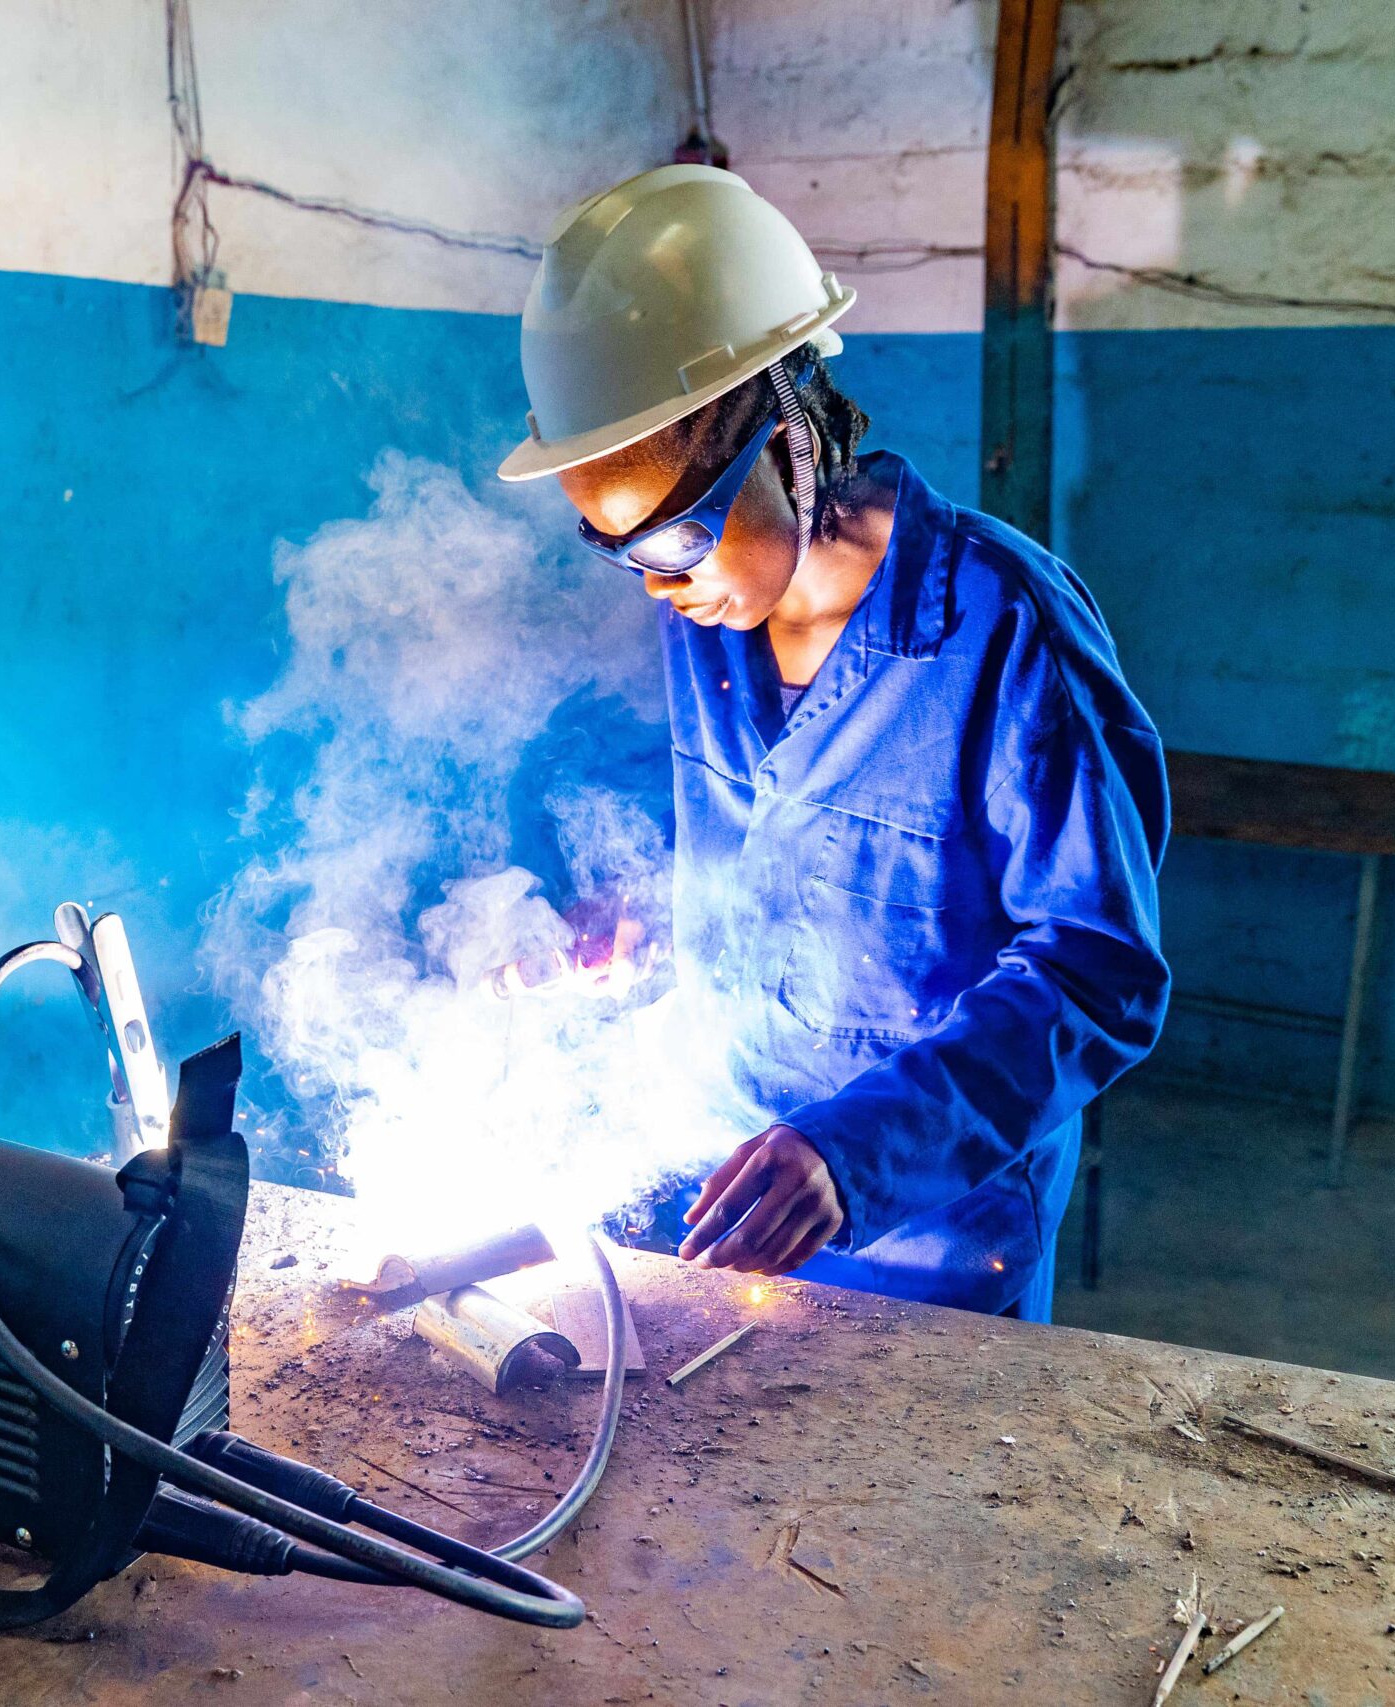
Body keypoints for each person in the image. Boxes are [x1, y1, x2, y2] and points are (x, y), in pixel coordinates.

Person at [498, 166, 1169, 1321]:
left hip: (924, 1247)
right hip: (708, 1202)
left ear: (789, 442)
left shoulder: (1006, 631)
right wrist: (614, 928)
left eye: (677, 541)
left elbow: (1095, 970)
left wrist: (850, 1155)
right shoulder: (718, 617)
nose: (661, 588)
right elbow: (771, 859)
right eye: (623, 552)